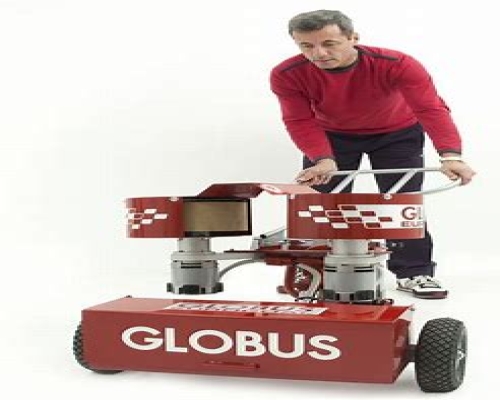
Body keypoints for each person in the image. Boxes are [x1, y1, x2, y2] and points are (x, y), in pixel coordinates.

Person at [270, 10, 476, 299]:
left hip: (397, 133)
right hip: (333, 137)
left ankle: (413, 272)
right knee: (321, 205)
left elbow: (430, 108)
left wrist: (450, 155)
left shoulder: (397, 64)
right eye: (306, 46)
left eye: (329, 43)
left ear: (353, 38)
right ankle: (314, 272)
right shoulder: (287, 74)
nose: (318, 54)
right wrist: (322, 158)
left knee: (402, 204)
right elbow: (299, 119)